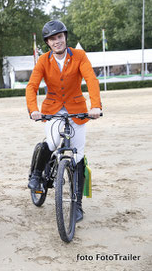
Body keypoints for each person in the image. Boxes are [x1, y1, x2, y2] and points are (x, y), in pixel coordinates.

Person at [25, 20, 102, 222]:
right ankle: (37, 173)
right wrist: (33, 110)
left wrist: (96, 106)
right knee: (51, 142)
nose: (57, 41)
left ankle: (77, 206)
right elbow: (32, 86)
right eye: (52, 39)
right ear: (48, 43)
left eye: (59, 37)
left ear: (65, 37)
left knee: (78, 158)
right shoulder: (43, 60)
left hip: (77, 110)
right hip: (52, 110)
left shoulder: (79, 56)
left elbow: (91, 79)